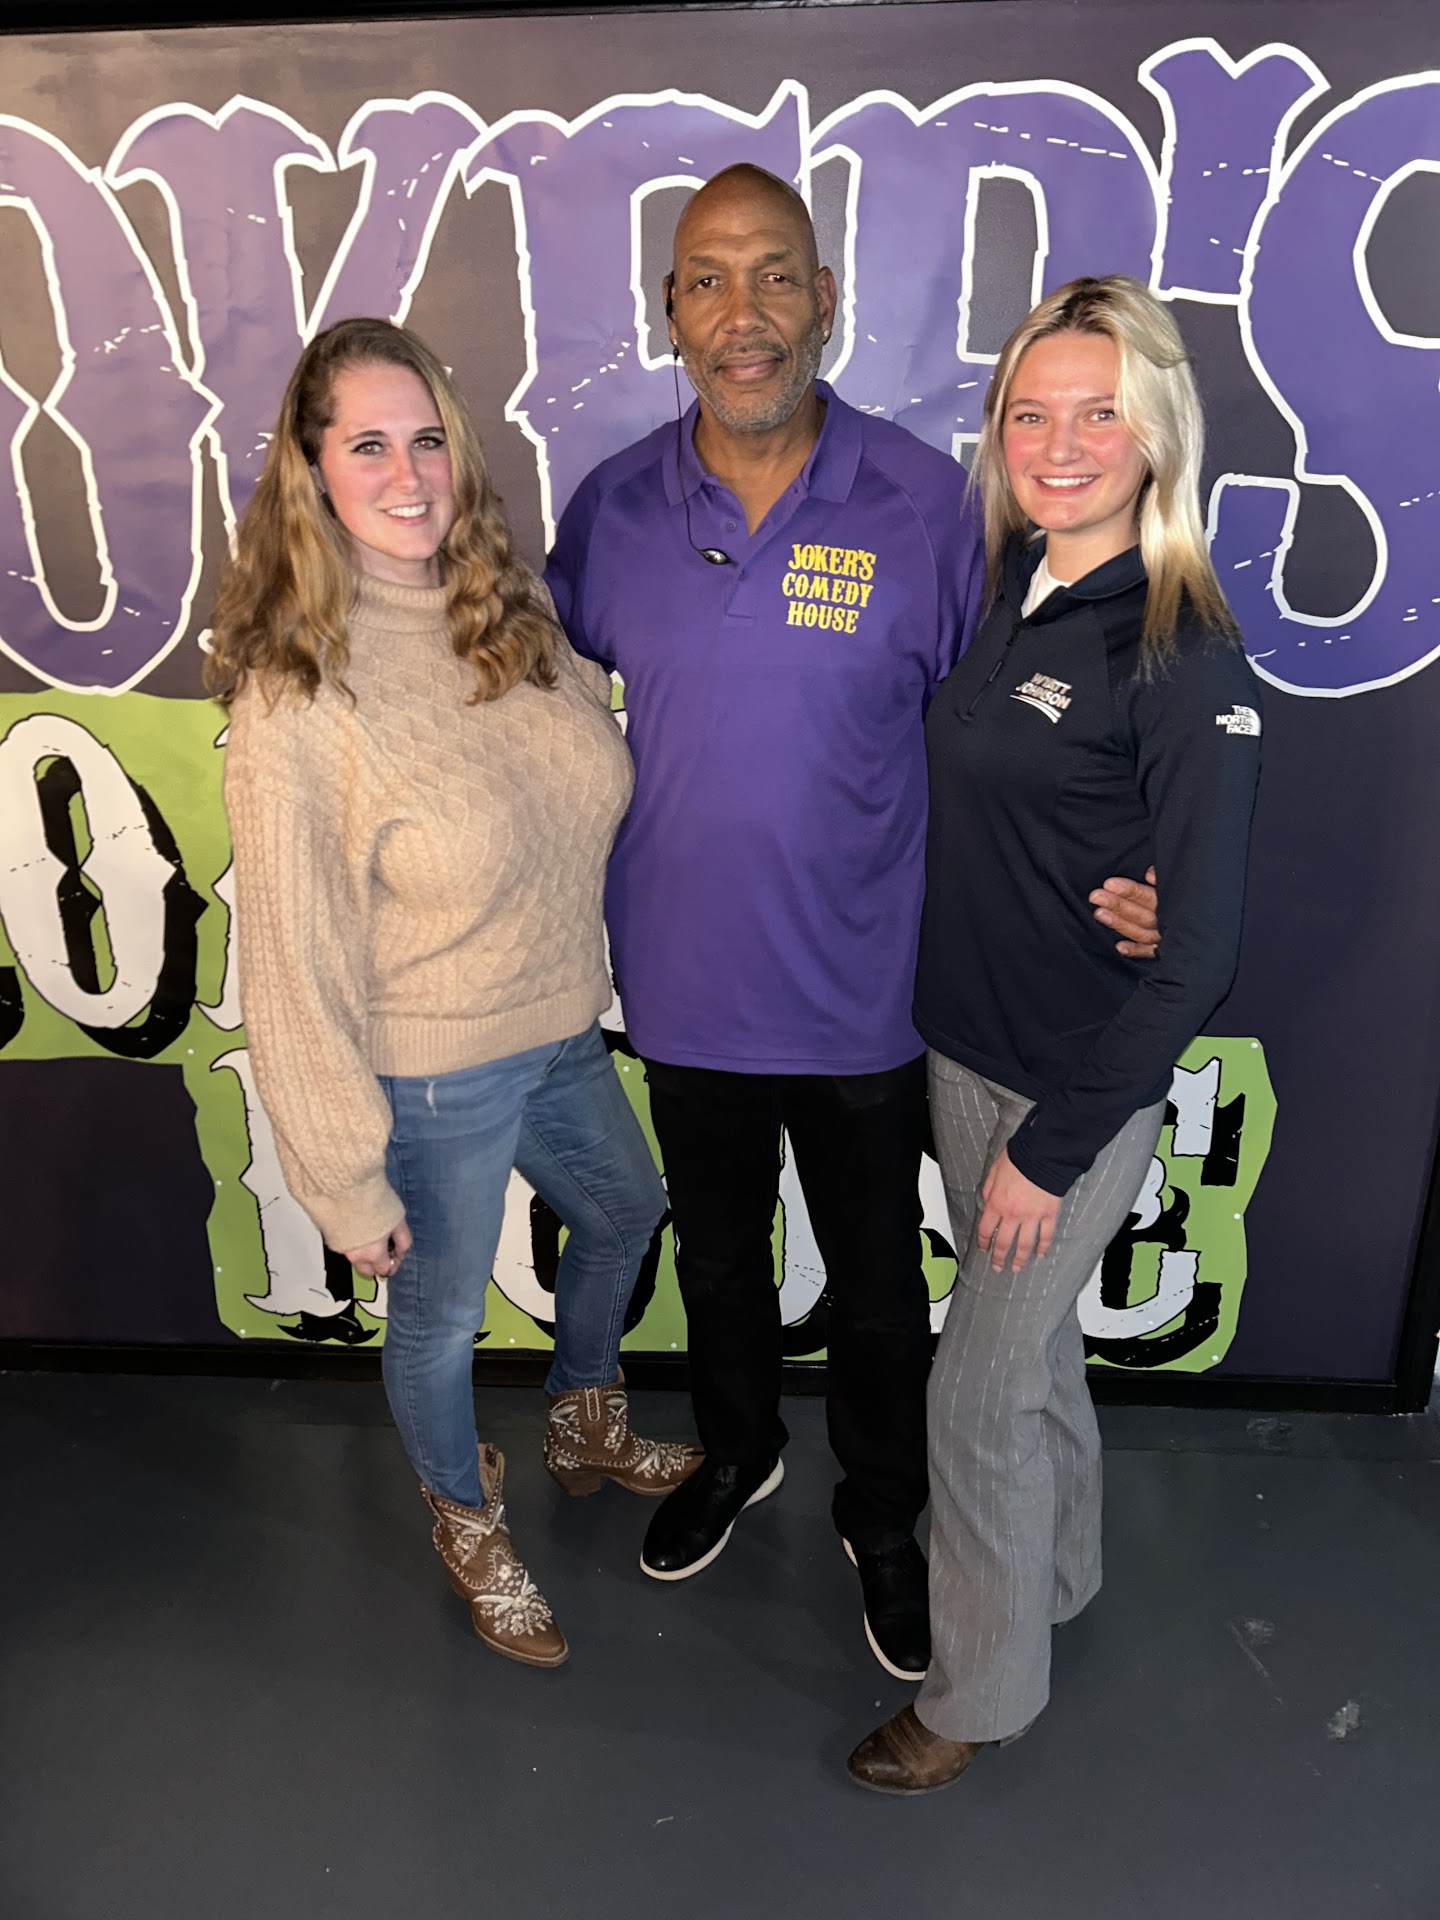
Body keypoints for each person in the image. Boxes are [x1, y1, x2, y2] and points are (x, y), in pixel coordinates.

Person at [546, 167, 1160, 1681]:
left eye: (775, 275)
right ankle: (738, 1448)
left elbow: (1020, 720)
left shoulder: (931, 505)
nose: (743, 312)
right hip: (683, 986)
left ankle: (884, 1513)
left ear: (826, 299)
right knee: (720, 1267)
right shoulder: (611, 508)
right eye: (707, 279)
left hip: (872, 996)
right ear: (670, 310)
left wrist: (1126, 867)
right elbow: (532, 708)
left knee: (882, 1290)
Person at [208, 316, 698, 1672]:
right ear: (311, 471)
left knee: (625, 1211)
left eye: (426, 439)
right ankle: (465, 1516)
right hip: (432, 1070)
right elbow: (291, 960)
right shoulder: (298, 696)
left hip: (560, 1027)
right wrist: (341, 1173)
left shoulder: (510, 616)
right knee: (436, 1322)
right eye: (367, 445)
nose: (407, 473)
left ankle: (583, 1420)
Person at [847, 275, 1262, 1791]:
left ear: (1158, 434)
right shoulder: (1013, 581)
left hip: (1069, 1093)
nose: (1062, 444)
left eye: (1100, 414)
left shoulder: (1180, 649)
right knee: (1033, 1360)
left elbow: (1197, 959)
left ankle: (975, 1698)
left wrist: (1057, 1149)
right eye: (1033, 414)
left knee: (974, 1395)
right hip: (964, 1051)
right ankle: (1062, 1575)